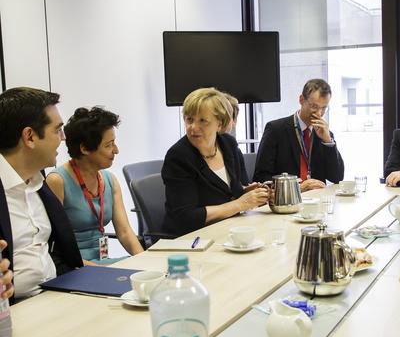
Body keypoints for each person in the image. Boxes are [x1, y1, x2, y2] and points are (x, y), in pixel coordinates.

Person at [0, 87, 82, 300]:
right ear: (30, 137)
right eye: (57, 130)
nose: (63, 138)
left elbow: (60, 254)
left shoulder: (40, 183)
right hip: (14, 312)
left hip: (58, 294)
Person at [162, 87, 269, 236]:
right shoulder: (178, 157)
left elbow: (227, 192)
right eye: (189, 119)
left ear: (220, 123)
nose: (193, 127)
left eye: (202, 121)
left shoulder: (228, 144)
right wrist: (240, 203)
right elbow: (185, 217)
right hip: (192, 239)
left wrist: (247, 192)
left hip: (227, 229)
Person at [46, 107, 144, 264]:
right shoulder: (57, 181)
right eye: (109, 145)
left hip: (101, 264)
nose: (116, 150)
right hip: (74, 266)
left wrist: (144, 260)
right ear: (84, 148)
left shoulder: (110, 180)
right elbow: (55, 249)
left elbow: (125, 232)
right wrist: (101, 270)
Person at [253, 79, 345, 191]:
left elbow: (337, 177)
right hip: (287, 202)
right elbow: (261, 178)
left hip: (317, 201)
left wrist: (328, 142)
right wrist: (297, 188)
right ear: (301, 100)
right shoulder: (275, 130)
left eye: (324, 108)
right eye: (314, 106)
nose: (319, 113)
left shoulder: (325, 134)